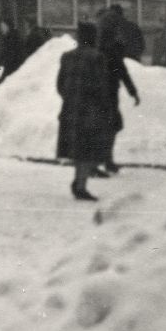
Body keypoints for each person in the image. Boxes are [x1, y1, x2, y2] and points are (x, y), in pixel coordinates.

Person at [56, 23, 138, 201]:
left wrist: (70, 99)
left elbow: (60, 85)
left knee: (78, 149)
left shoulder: (66, 57)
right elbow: (101, 86)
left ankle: (79, 182)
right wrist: (104, 107)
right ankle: (80, 187)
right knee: (87, 149)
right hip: (90, 110)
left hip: (70, 109)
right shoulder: (96, 57)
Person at [98, 21, 141, 174]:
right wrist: (133, 92)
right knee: (112, 126)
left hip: (97, 95)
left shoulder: (98, 51)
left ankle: (102, 160)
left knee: (103, 127)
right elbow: (123, 74)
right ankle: (106, 160)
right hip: (109, 95)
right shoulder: (113, 52)